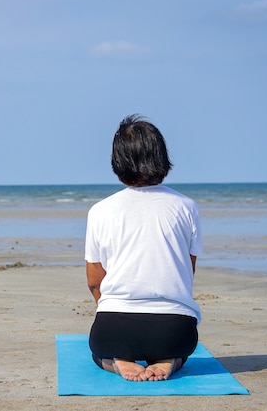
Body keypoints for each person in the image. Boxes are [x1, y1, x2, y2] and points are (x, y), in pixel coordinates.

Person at [85, 114, 202, 382]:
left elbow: (94, 282)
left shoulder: (100, 211)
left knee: (98, 350)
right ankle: (169, 359)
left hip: (113, 327)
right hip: (175, 331)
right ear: (161, 157)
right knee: (180, 347)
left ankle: (118, 361)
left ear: (118, 161)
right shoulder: (186, 207)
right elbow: (186, 273)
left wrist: (116, 314)